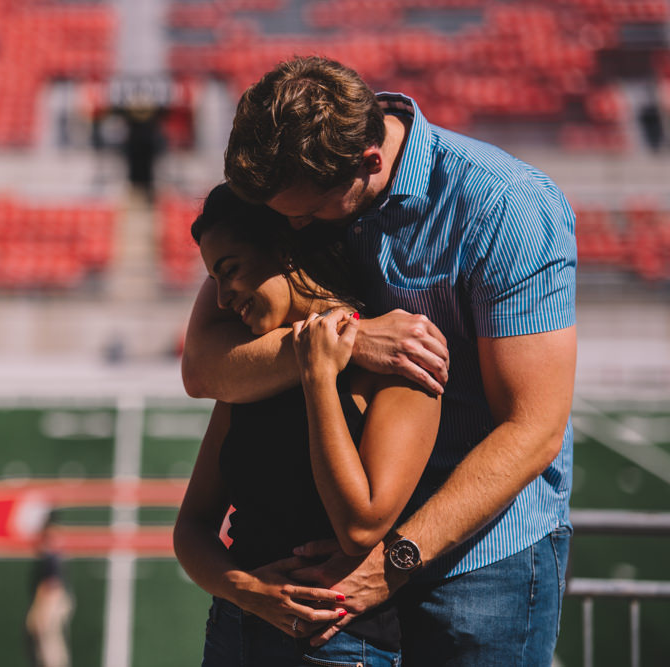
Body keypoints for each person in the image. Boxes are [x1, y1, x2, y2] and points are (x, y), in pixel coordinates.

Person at [182, 56, 577, 665]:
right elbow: (205, 368)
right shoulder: (291, 189)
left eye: (307, 217)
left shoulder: (508, 208)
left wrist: (395, 558)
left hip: (483, 557)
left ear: (370, 164)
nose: (294, 229)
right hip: (343, 533)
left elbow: (534, 428)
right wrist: (348, 340)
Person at [174, 184, 440, 666]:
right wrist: (247, 590)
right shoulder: (248, 373)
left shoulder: (401, 363)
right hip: (236, 632)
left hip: (338, 644)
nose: (221, 299)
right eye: (214, 279)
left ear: (285, 248)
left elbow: (358, 526)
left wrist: (319, 376)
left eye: (230, 271)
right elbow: (191, 526)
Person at [25, 511, 74, 667]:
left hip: (52, 598)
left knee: (47, 637)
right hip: (53, 597)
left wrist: (43, 607)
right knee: (48, 638)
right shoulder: (50, 551)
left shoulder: (51, 553)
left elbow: (52, 585)